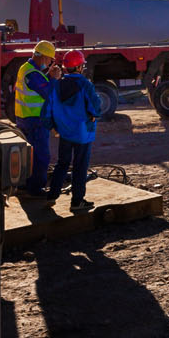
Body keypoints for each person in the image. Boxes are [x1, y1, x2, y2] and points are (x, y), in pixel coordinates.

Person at [45, 50, 101, 210]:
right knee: (80, 166)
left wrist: (52, 126)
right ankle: (77, 202)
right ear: (78, 67)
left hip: (64, 132)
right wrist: (94, 115)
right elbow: (95, 107)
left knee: (62, 163)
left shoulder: (57, 84)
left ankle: (52, 195)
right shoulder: (85, 84)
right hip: (83, 133)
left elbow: (47, 108)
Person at [13, 40, 60, 195]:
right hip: (35, 121)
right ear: (44, 57)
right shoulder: (32, 73)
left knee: (27, 155)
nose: (50, 63)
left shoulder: (26, 68)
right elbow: (48, 93)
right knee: (41, 156)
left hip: (24, 118)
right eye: (50, 59)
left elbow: (37, 84)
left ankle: (25, 183)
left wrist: (48, 76)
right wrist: (54, 78)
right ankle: (35, 189)